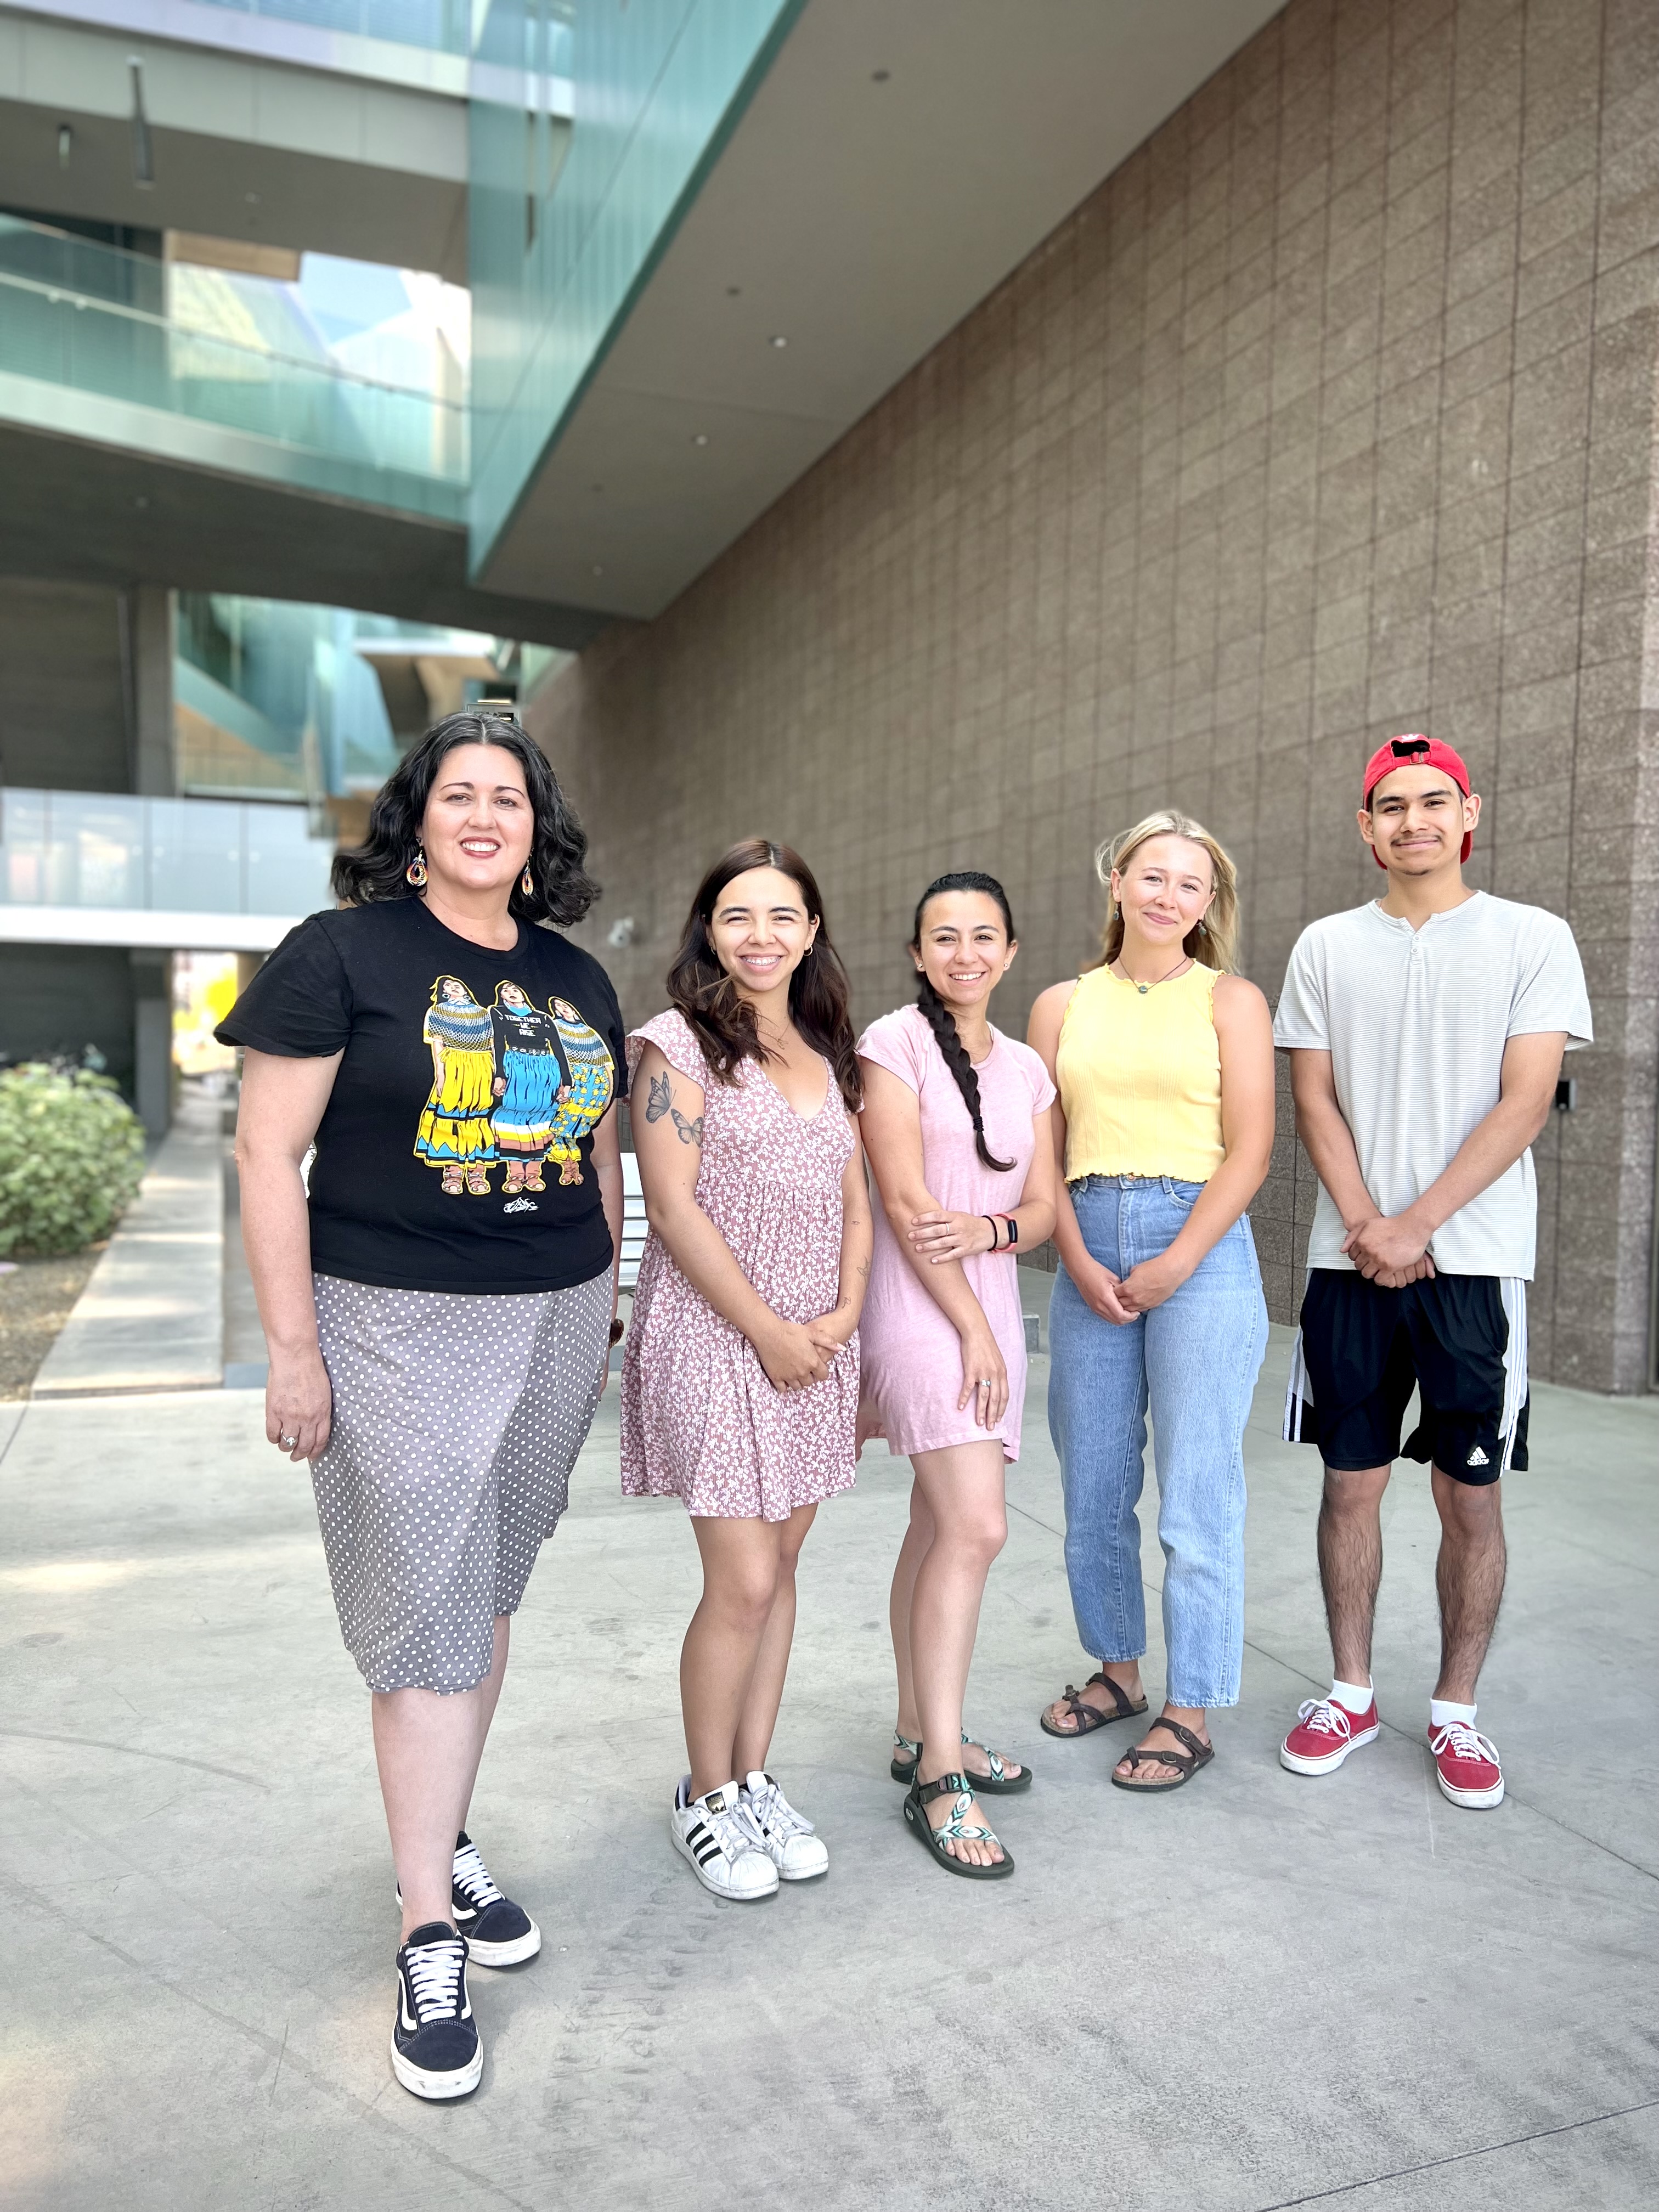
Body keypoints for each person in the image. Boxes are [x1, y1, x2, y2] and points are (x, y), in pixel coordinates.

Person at [219, 710, 625, 2103]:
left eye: (509, 799)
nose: (485, 816)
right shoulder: (340, 955)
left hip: (555, 1314)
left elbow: (601, 1148)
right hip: (391, 1317)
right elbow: (268, 1154)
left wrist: (608, 1299)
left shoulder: (575, 975)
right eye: (459, 795)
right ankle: (426, 1927)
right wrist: (293, 1350)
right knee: (425, 1617)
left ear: (536, 829)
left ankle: (435, 1831)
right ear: (417, 818)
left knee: (488, 1590)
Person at [1274, 734, 1592, 1809]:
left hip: (1478, 1263)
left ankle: (1455, 1713)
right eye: (1391, 806)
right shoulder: (1324, 946)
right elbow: (1313, 1100)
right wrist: (1369, 1222)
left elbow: (1525, 1099)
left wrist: (1421, 1224)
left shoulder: (1532, 937)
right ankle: (1351, 1694)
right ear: (1366, 830)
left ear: (1469, 816)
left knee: (1471, 1496)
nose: (1413, 821)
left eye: (1433, 802)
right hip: (1346, 1260)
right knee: (1350, 1486)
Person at [621, 839, 871, 1901]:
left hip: (819, 1344)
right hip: (719, 1337)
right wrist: (769, 1327)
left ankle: (757, 1776)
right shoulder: (679, 1045)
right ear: (708, 929)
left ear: (811, 930)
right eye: (738, 916)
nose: (761, 936)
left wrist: (846, 1311)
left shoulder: (830, 1049)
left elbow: (857, 1199)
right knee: (745, 1580)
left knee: (784, 1575)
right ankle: (707, 1797)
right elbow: (672, 1209)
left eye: (782, 916)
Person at [1030, 812, 1274, 1793]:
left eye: (1191, 884)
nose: (1169, 896)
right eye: (1153, 876)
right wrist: (1077, 1258)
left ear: (1207, 904)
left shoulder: (1233, 1001)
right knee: (1092, 1483)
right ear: (1118, 882)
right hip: (1086, 1234)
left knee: (1197, 1492)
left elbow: (1252, 1148)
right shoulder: (1060, 1003)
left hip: (1201, 1246)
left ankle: (1192, 1705)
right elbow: (1043, 1150)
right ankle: (1120, 1672)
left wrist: (1178, 1258)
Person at [858, 872, 1057, 1880]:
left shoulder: (1027, 1068)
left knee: (938, 1526)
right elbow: (901, 1200)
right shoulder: (891, 1045)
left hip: (986, 1304)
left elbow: (1046, 1210)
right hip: (921, 1307)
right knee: (979, 1526)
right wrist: (975, 1322)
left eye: (984, 936)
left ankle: (913, 1730)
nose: (965, 953)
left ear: (1011, 952)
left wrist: (991, 1229)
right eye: (945, 937)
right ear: (918, 952)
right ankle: (942, 1773)